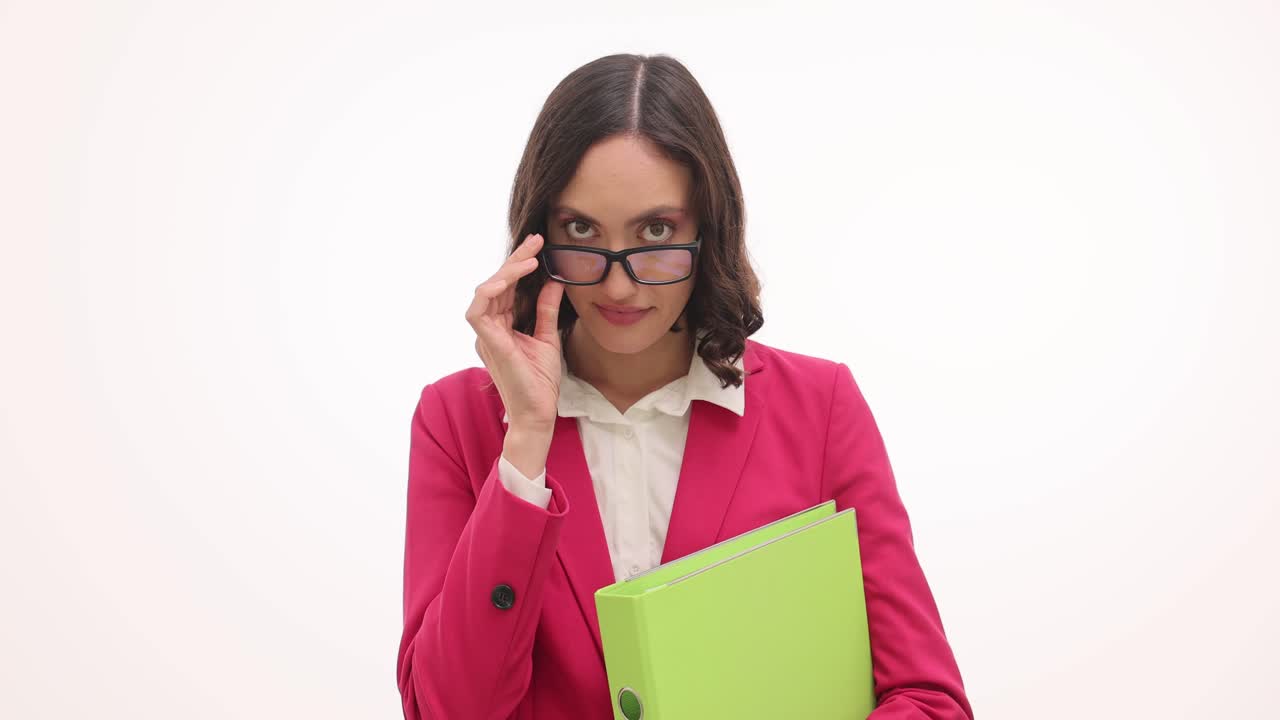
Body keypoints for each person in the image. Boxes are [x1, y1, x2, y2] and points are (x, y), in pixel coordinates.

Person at [396, 53, 972, 720]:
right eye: (581, 230)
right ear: (538, 233)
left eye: (657, 231)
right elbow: (446, 709)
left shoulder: (819, 409)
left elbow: (927, 700)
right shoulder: (457, 420)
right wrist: (525, 442)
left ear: (709, 226)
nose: (618, 285)